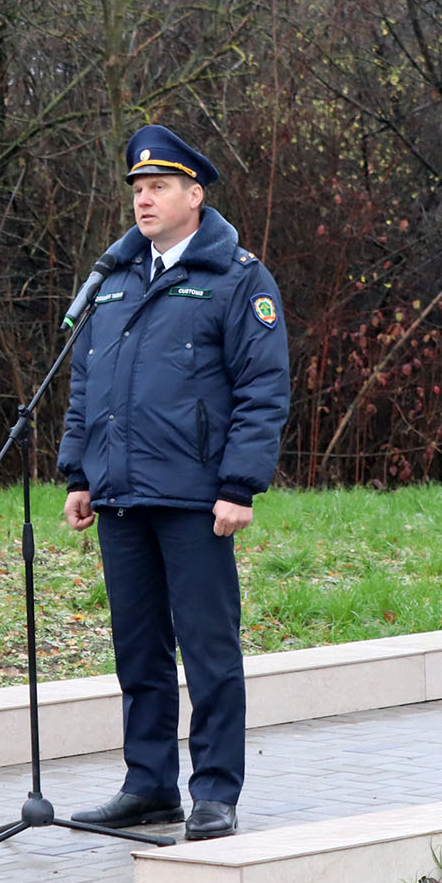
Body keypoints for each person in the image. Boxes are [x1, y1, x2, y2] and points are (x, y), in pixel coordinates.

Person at [58, 124, 290, 840]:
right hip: (121, 495)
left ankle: (215, 791)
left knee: (208, 647)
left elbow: (263, 389)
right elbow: (84, 383)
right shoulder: (114, 279)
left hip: (197, 498)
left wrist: (240, 485)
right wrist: (78, 472)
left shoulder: (237, 278)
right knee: (139, 649)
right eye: (136, 188)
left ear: (195, 194)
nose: (144, 199)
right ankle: (149, 785)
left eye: (158, 186)